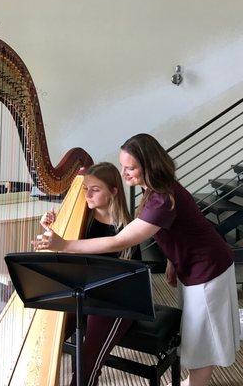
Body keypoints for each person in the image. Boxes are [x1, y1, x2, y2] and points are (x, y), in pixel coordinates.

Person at [35, 134, 241, 386]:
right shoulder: (154, 190)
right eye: (122, 166)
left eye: (130, 167)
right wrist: (172, 260)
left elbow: (119, 241)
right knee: (199, 331)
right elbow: (175, 228)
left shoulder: (162, 198)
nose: (124, 173)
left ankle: (195, 383)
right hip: (191, 264)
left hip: (208, 268)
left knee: (204, 340)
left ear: (149, 165)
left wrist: (64, 245)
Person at [39, 162, 137, 386]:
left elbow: (128, 279)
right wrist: (50, 229)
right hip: (84, 292)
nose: (88, 195)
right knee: (48, 329)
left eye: (95, 189)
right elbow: (63, 251)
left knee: (88, 357)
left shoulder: (126, 228)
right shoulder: (85, 217)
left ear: (113, 191)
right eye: (85, 189)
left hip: (118, 299)